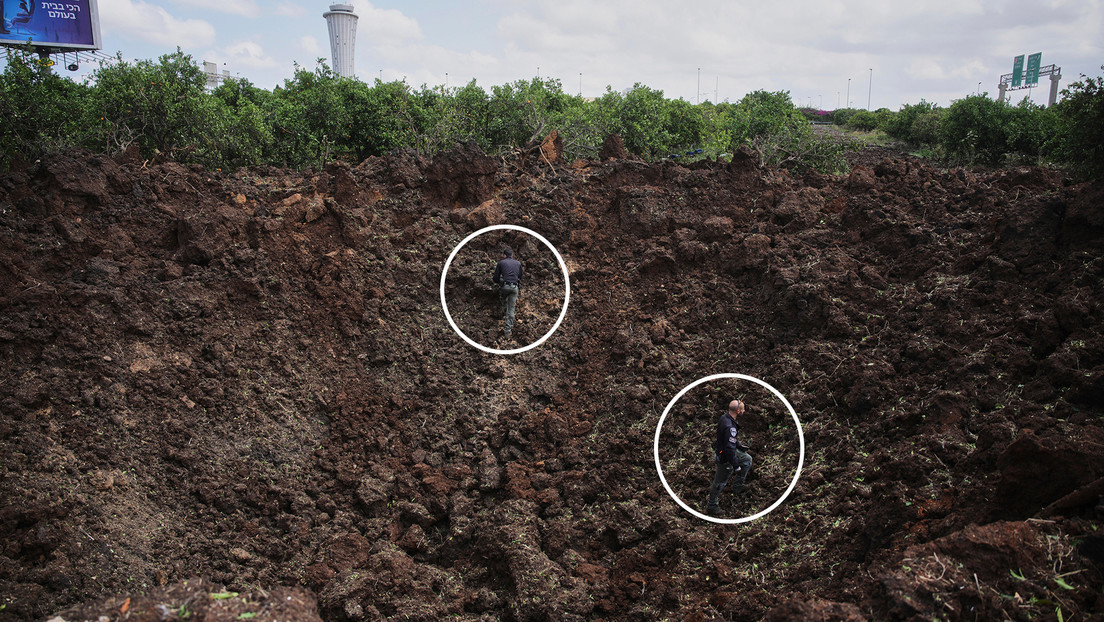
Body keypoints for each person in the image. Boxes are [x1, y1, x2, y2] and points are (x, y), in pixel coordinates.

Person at [706, 399, 753, 514]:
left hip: (726, 450)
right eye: (742, 409)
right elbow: (729, 449)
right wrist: (736, 465)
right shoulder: (730, 427)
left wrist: (739, 445)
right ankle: (712, 505)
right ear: (737, 411)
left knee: (747, 459)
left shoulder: (725, 418)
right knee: (720, 482)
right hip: (725, 457)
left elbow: (728, 441)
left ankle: (738, 486)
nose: (744, 411)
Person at [491, 248, 523, 339]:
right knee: (511, 309)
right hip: (514, 287)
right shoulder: (518, 263)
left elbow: (495, 278)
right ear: (512, 255)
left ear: (504, 255)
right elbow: (520, 276)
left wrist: (500, 281)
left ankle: (505, 312)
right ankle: (507, 332)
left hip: (505, 287)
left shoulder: (501, 263)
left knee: (503, 298)